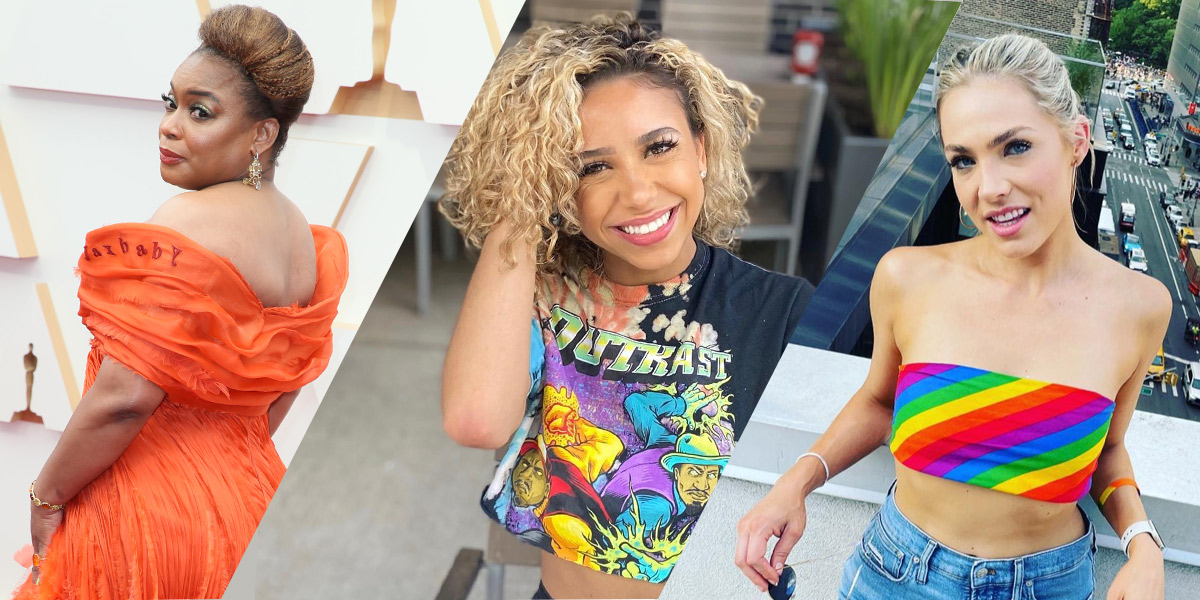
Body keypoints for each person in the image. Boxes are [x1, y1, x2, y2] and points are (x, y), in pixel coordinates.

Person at [735, 34, 1168, 600]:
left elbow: (1107, 450)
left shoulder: (1140, 306)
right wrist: (795, 482)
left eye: (1014, 147)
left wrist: (1143, 544)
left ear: (1076, 141)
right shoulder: (906, 277)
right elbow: (879, 401)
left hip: (1050, 585)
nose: (988, 188)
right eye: (964, 160)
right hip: (895, 575)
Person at [439, 14, 814, 600]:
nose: (638, 192)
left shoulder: (786, 312)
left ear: (702, 150)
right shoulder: (538, 293)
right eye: (592, 166)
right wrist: (522, 196)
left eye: (659, 148)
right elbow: (476, 420)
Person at [14, 6, 348, 599]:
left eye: (201, 112)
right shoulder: (305, 240)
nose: (169, 126)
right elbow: (280, 392)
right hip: (248, 505)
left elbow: (123, 399)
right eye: (170, 103)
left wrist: (46, 496)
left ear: (262, 135)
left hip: (147, 519)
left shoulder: (189, 223)